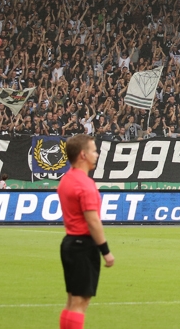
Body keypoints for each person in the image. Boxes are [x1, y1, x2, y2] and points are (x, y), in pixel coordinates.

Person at [57, 135, 115, 329]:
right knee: (81, 303)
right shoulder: (85, 184)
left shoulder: (67, 179)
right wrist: (106, 251)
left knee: (72, 301)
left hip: (70, 243)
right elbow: (92, 220)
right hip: (84, 246)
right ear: (83, 154)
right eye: (93, 150)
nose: (96, 154)